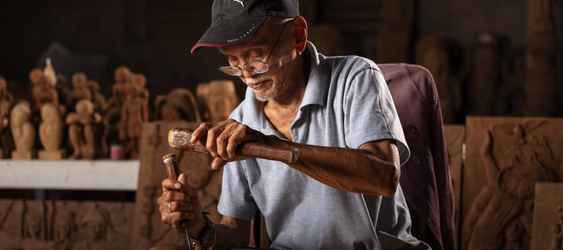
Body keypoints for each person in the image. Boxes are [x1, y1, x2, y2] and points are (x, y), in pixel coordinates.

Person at [157, 0, 430, 249]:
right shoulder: (241, 122)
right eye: (233, 61)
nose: (247, 76)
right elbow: (237, 235)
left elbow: (383, 176)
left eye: (256, 55)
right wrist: (199, 226)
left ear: (297, 37)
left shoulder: (355, 78)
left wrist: (271, 147)